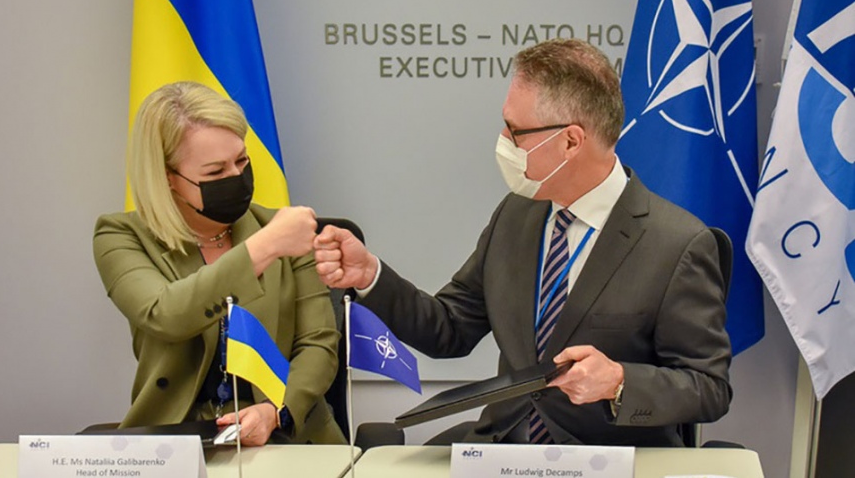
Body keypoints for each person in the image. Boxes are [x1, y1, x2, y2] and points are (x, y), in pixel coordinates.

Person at [314, 39, 732, 447]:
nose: (503, 140)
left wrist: (619, 382)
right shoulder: (516, 214)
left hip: (607, 459)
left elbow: (709, 387)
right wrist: (370, 275)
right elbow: (450, 329)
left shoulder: (677, 244)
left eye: (516, 131)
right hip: (503, 448)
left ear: (571, 141)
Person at [93, 81, 345, 446]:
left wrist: (275, 411)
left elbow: (318, 344)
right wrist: (263, 248)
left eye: (241, 161)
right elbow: (164, 314)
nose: (236, 177)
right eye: (215, 172)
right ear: (167, 178)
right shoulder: (120, 235)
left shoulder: (284, 231)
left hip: (286, 434)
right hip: (174, 437)